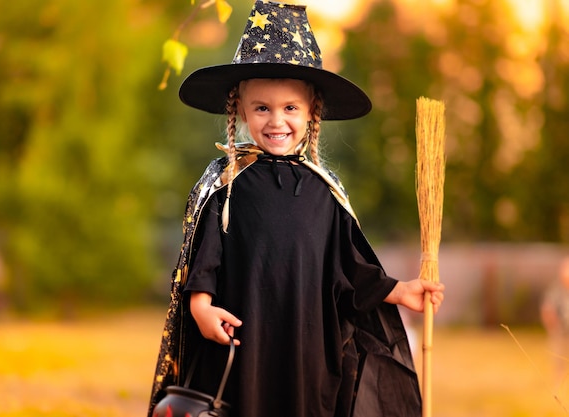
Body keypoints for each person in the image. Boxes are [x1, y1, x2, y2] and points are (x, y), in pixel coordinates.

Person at [147, 2, 445, 416]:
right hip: (241, 348)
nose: (276, 121)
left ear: (311, 112)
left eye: (290, 108)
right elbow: (203, 262)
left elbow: (351, 268)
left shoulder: (325, 192)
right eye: (262, 108)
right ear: (240, 110)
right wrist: (200, 308)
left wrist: (399, 290)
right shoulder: (226, 185)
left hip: (308, 354)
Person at [541, 257, 569, 387]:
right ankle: (559, 382)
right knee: (559, 358)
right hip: (560, 330)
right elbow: (547, 308)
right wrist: (552, 324)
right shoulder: (556, 289)